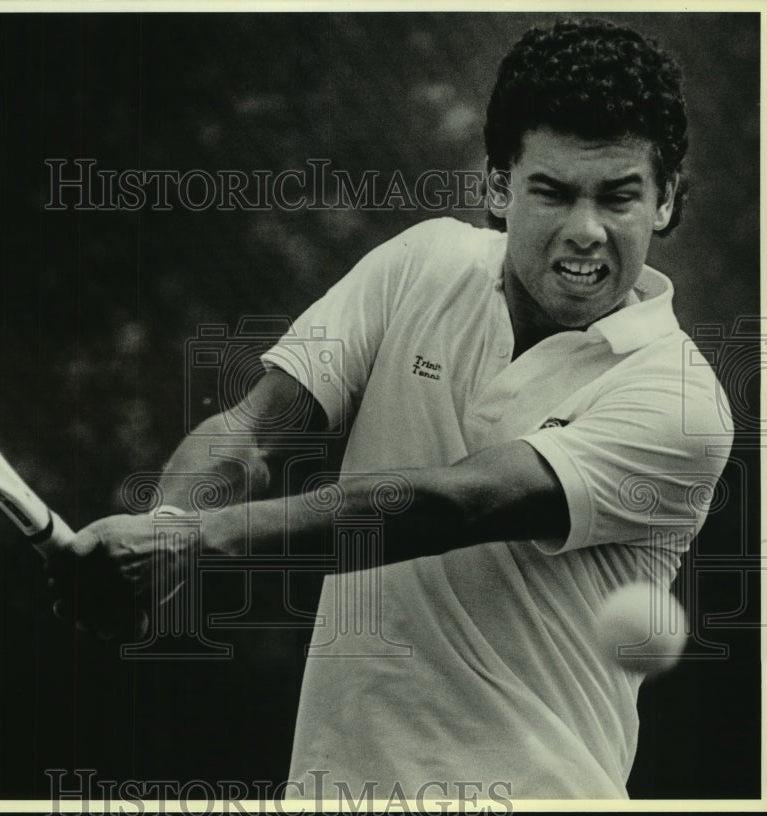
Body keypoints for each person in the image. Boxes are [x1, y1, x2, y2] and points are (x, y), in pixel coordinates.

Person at [49, 17, 732, 801]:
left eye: (618, 197)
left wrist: (195, 543)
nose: (586, 231)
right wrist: (164, 533)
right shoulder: (423, 265)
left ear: (667, 201)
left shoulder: (680, 403)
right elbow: (253, 433)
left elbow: (456, 504)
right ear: (499, 187)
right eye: (552, 191)